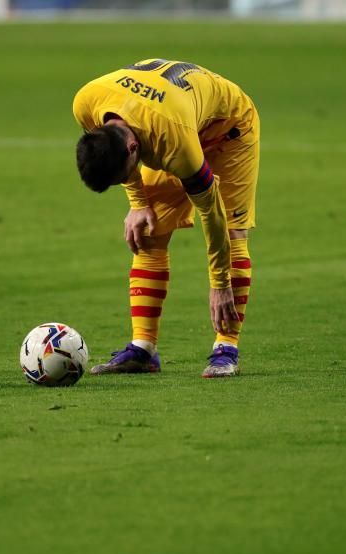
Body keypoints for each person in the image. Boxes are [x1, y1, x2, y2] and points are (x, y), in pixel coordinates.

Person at [73, 59, 260, 378]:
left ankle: (225, 348)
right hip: (173, 115)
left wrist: (220, 284)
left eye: (125, 176)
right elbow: (117, 153)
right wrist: (138, 202)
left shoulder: (175, 144)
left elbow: (211, 211)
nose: (128, 181)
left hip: (229, 129)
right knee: (147, 230)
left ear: (134, 148)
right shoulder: (86, 101)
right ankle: (143, 350)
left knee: (232, 235)